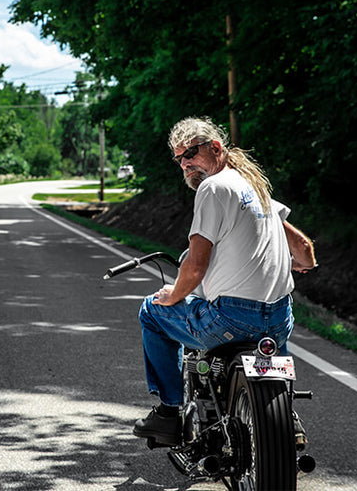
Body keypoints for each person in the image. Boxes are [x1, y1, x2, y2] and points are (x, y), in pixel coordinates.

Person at [133, 116, 316, 446]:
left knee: (152, 311)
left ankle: (168, 414)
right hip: (278, 319)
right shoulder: (255, 187)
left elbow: (195, 268)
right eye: (179, 159)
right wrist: (298, 263)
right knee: (269, 338)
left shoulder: (213, 188)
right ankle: (286, 414)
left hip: (230, 318)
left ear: (215, 147)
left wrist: (173, 294)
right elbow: (302, 250)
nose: (185, 163)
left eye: (191, 153)